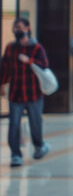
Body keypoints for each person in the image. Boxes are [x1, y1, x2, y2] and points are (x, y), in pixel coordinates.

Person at [0, 18, 50, 167]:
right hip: (16, 93)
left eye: (20, 28)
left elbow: (45, 65)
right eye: (15, 28)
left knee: (35, 122)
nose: (17, 31)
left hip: (33, 93)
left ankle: (39, 145)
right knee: (14, 124)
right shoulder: (10, 48)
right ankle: (16, 155)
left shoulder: (36, 48)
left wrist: (29, 61)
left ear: (28, 28)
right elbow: (4, 67)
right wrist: (2, 84)